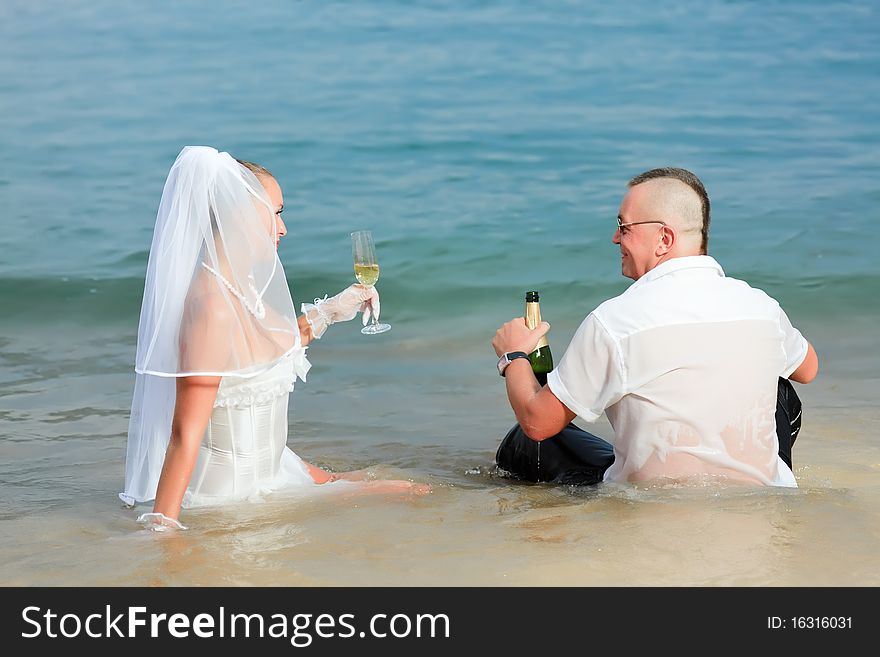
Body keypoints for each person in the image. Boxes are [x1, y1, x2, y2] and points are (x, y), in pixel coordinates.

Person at [120, 146, 426, 530]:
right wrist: (163, 537)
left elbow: (264, 356)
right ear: (242, 212)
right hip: (230, 502)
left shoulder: (243, 289)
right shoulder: (212, 306)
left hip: (277, 471)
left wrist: (332, 310)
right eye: (276, 213)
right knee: (402, 501)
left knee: (411, 488)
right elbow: (184, 436)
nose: (283, 228)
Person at [492, 167, 818, 487]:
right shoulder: (761, 306)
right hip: (762, 495)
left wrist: (514, 355)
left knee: (526, 440)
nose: (615, 238)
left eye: (624, 227)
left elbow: (537, 423)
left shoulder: (615, 321)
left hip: (655, 503)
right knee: (779, 383)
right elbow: (808, 370)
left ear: (664, 238)